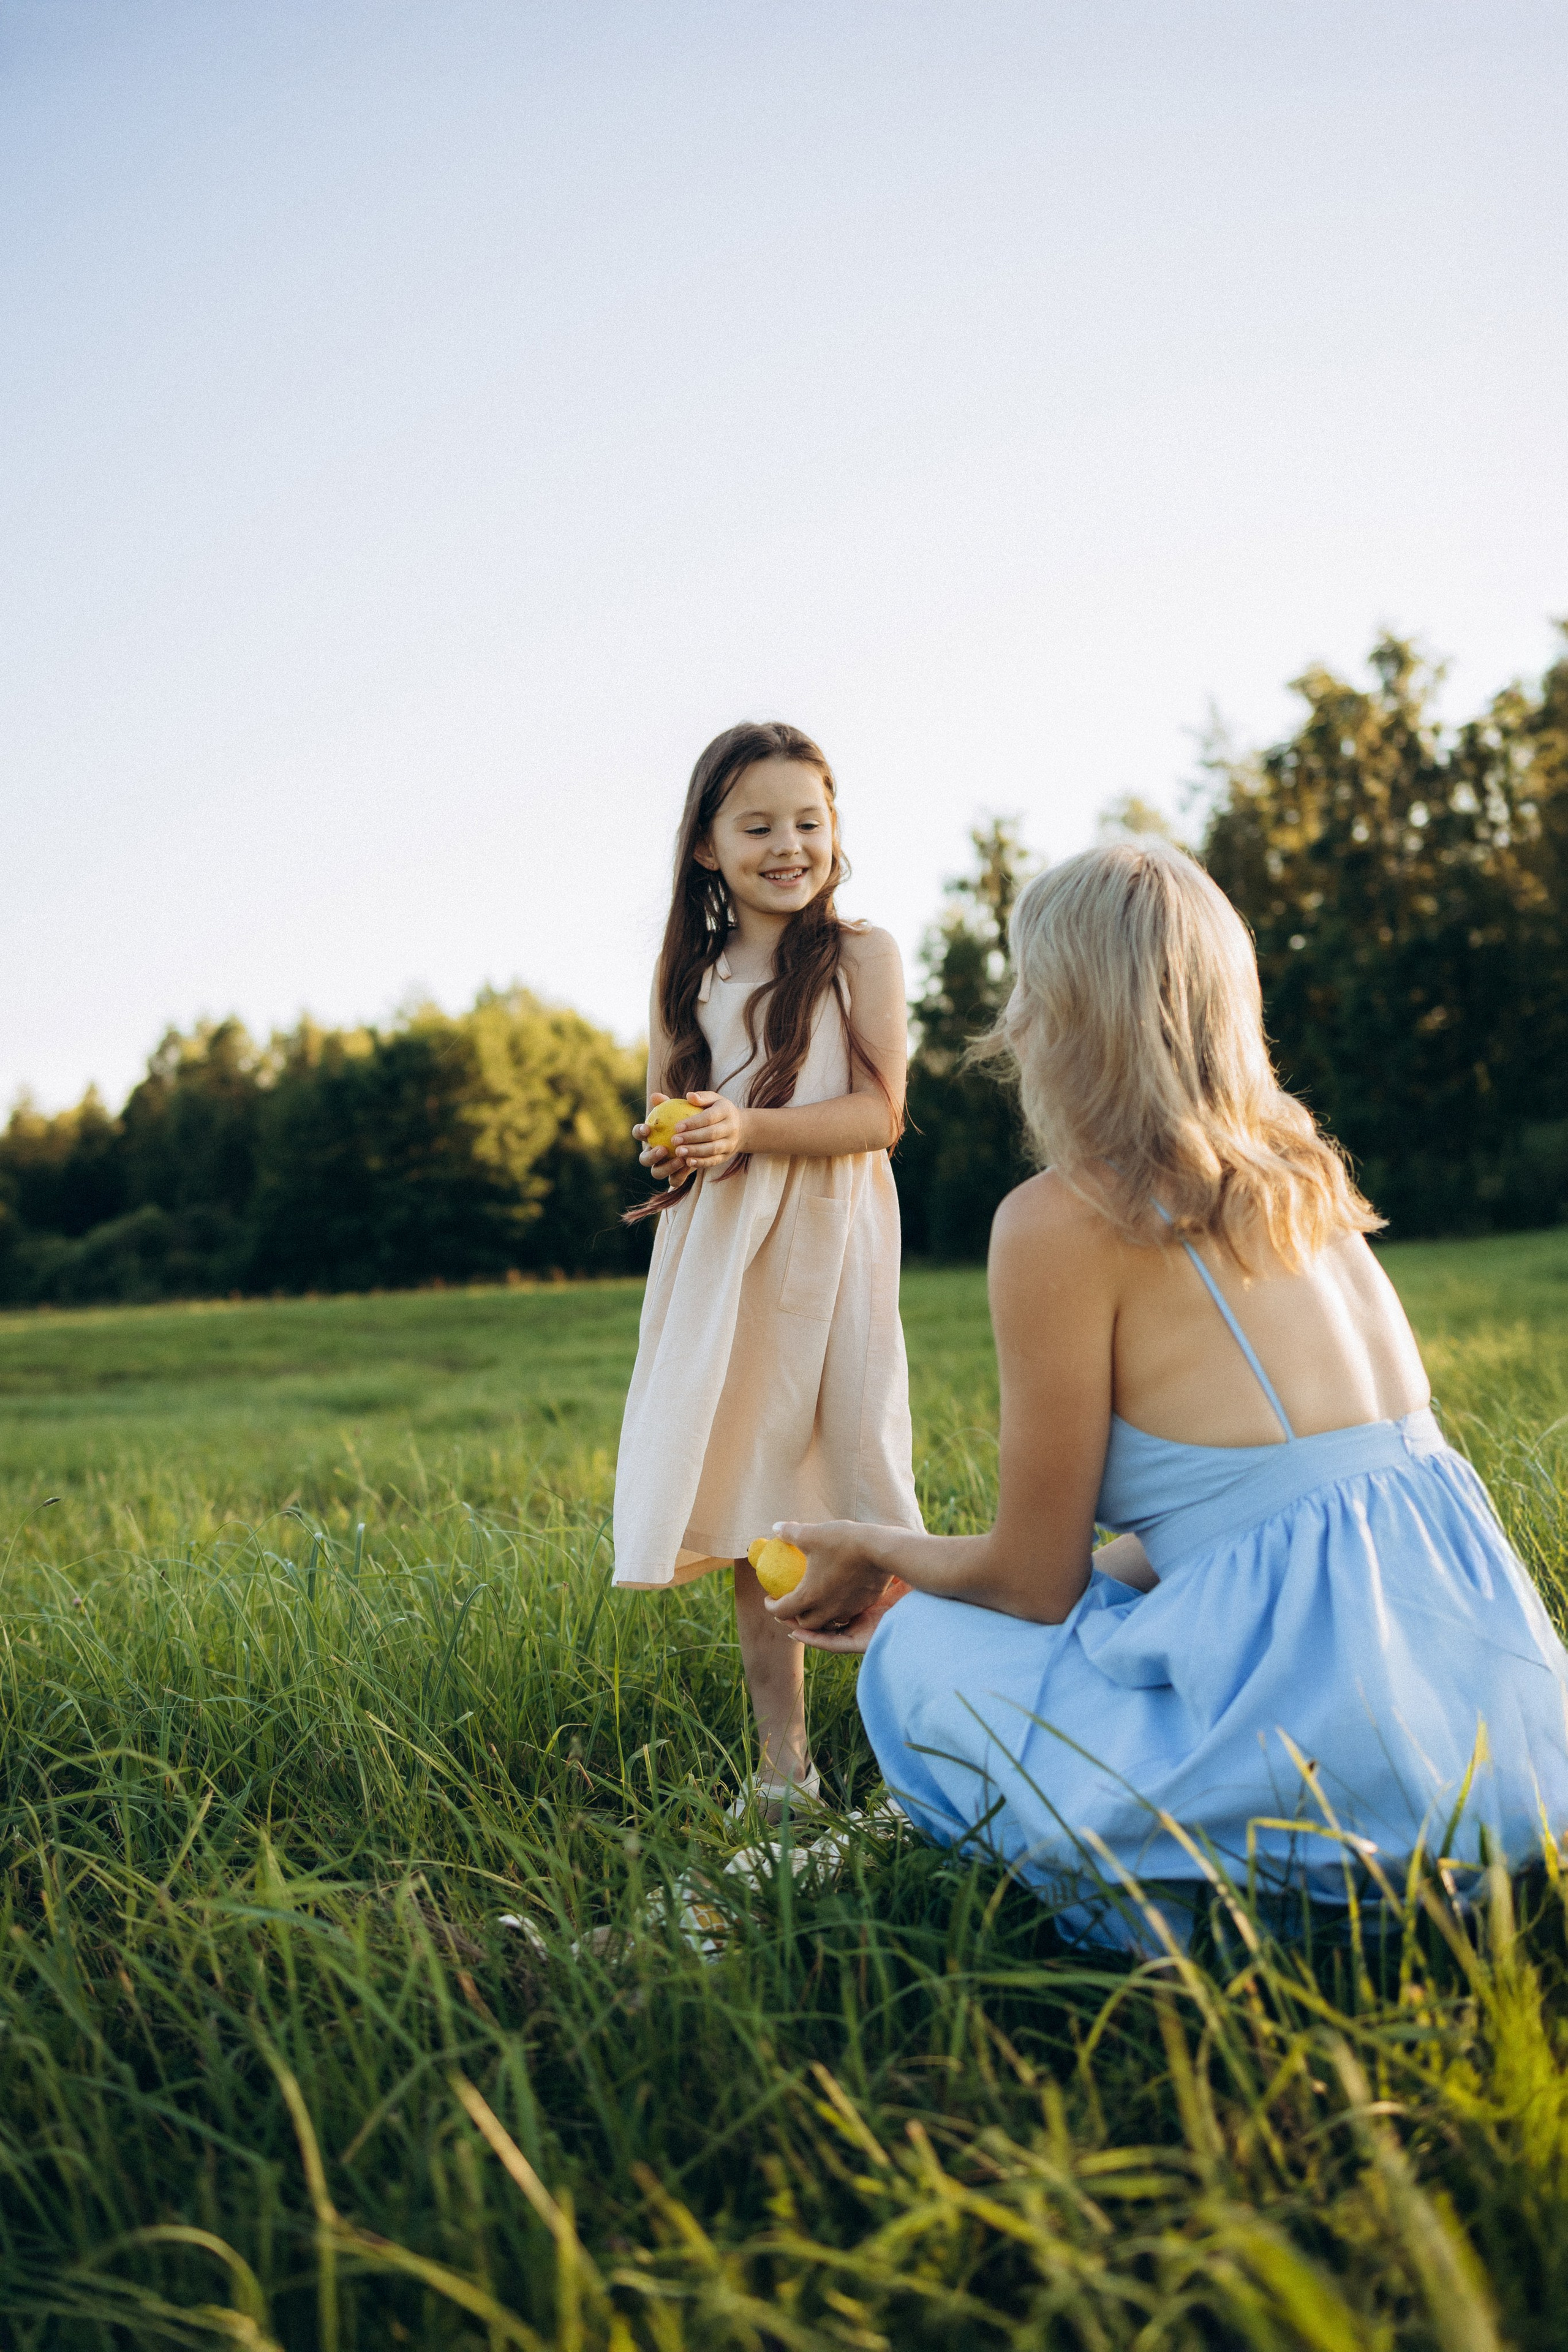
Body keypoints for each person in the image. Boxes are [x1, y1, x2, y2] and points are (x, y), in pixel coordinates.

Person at [769, 839, 1568, 1941]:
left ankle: (1189, 1896)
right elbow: (1256, 1514)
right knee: (1093, 1609)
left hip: (1359, 1799)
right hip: (1513, 1763)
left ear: (1061, 1010)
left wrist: (882, 1552)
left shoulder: (1060, 1222)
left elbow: (1032, 1584)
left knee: (918, 1656)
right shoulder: (1302, 1182)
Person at [611, 720, 921, 1817]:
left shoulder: (861, 955)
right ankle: (786, 1771)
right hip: (724, 1256)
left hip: (831, 1246)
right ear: (707, 846)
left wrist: (743, 1128)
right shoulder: (686, 974)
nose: (787, 845)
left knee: (864, 1478)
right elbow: (661, 1120)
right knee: (757, 1505)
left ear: (834, 831)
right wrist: (678, 1137)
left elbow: (878, 1115)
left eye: (807, 821)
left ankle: (926, 1753)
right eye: (757, 826)